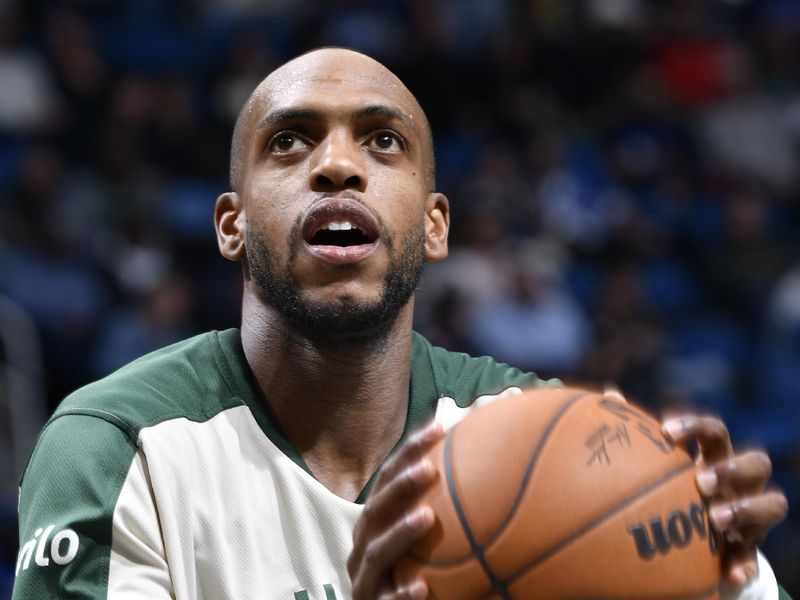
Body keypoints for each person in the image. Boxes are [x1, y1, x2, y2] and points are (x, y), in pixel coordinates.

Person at [13, 47, 790, 600]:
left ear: (434, 226)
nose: (338, 165)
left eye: (383, 141)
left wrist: (712, 573)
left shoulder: (536, 442)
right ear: (231, 226)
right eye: (289, 141)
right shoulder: (118, 449)